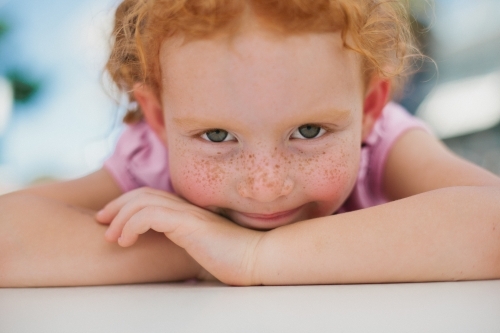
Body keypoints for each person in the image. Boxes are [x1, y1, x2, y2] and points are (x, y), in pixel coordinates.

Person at [1, 0, 499, 287]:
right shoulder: (151, 162)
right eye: (217, 136)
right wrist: (194, 249)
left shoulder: (384, 144)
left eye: (308, 132)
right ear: (157, 119)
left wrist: (253, 257)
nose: (265, 187)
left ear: (369, 110)